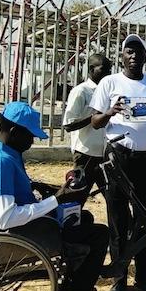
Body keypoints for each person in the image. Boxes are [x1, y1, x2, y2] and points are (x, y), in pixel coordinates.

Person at [0, 102, 110, 291]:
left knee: (84, 217)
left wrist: (38, 187)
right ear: (14, 132)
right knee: (100, 233)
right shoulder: (2, 162)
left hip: (29, 224)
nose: (32, 141)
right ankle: (78, 290)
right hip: (27, 233)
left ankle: (74, 279)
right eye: (30, 136)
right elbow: (5, 218)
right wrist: (54, 200)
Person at [89, 34, 146, 291]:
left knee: (143, 219)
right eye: (129, 52)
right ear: (121, 56)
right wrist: (111, 111)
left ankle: (144, 276)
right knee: (118, 219)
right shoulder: (110, 83)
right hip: (118, 159)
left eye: (139, 52)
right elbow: (96, 122)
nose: (134, 56)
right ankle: (119, 277)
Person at [62, 52, 111, 195]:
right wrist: (95, 118)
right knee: (78, 196)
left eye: (109, 70)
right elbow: (68, 124)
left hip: (104, 154)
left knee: (112, 195)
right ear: (91, 69)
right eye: (103, 70)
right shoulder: (81, 91)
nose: (107, 74)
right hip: (85, 154)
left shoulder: (108, 92)